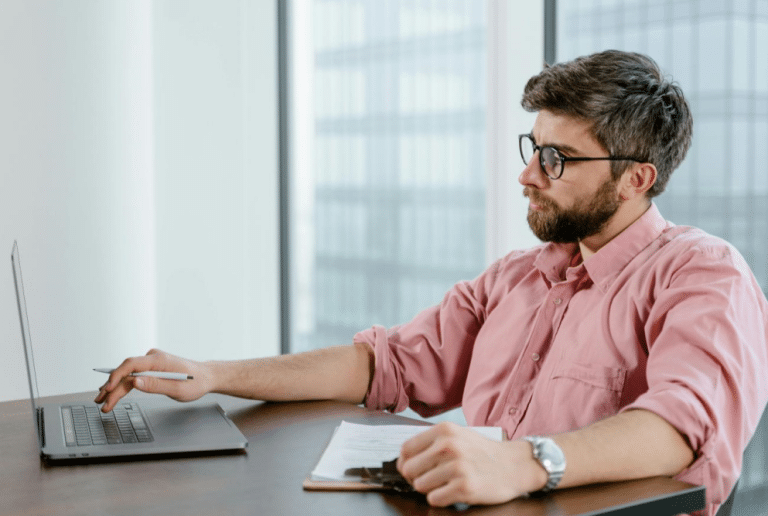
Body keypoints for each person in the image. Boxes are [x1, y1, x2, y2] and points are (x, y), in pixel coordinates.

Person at [95, 50, 768, 516]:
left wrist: (526, 463)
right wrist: (213, 373)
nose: (528, 175)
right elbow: (384, 365)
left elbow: (680, 430)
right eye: (533, 149)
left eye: (557, 159)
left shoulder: (704, 275)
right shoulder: (517, 277)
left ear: (636, 178)